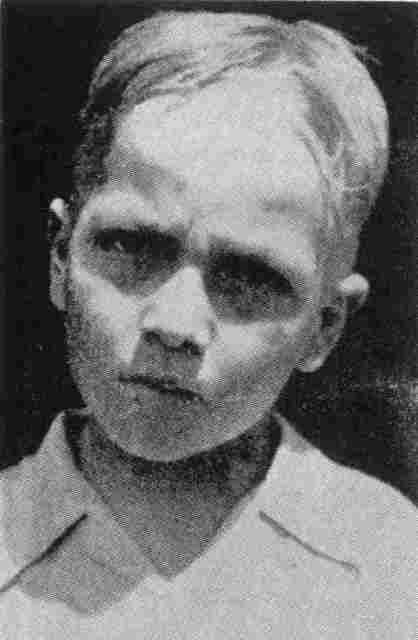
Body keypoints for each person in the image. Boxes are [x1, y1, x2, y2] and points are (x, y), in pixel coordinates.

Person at [1, 10, 417, 639]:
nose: (175, 324)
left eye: (249, 277)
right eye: (130, 246)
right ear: (61, 256)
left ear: (325, 326)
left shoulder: (392, 565)